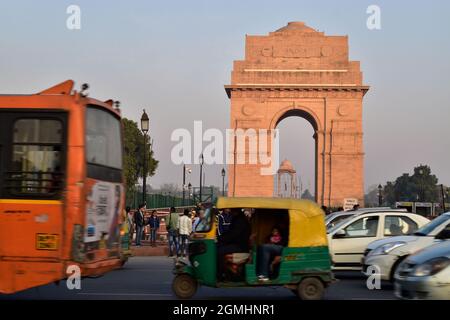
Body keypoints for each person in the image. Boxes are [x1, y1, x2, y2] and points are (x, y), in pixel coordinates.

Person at [217, 209, 251, 281]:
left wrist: (222, 238)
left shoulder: (240, 221)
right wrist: (221, 238)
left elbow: (233, 235)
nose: (230, 212)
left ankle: (221, 274)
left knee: (220, 251)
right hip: (238, 244)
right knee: (220, 248)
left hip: (240, 246)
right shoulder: (237, 219)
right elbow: (230, 233)